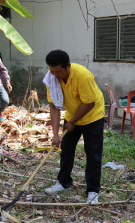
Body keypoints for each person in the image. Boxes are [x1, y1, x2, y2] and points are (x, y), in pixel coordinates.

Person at [43, 50, 105, 204]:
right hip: (72, 116)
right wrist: (55, 134)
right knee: (66, 150)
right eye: (52, 71)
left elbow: (89, 102)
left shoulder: (82, 75)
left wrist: (72, 122)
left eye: (58, 71)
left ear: (68, 66)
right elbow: (54, 107)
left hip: (93, 116)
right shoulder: (51, 79)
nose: (55, 75)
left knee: (93, 154)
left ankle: (93, 190)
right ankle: (63, 183)